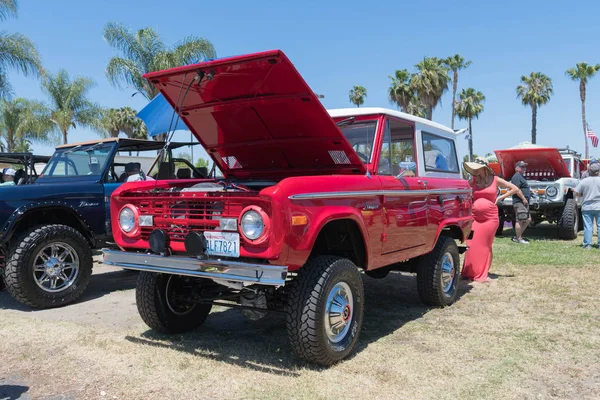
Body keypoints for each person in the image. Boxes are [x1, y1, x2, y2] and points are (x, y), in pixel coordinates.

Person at [461, 157, 522, 282]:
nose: (475, 171)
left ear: (484, 168)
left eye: (477, 168)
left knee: (485, 245)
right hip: (475, 218)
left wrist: (500, 198)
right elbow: (463, 188)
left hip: (490, 218)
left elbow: (515, 188)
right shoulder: (473, 180)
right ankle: (470, 272)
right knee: (471, 244)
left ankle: (483, 273)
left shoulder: (495, 180)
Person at [574, 162, 600, 249]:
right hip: (599, 206)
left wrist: (583, 195)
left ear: (589, 171)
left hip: (587, 207)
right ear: (598, 171)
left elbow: (577, 193)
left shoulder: (584, 181)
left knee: (588, 226)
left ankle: (587, 244)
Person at [511, 160, 532, 244]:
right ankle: (519, 238)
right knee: (520, 220)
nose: (524, 168)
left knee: (528, 219)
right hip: (519, 202)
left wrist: (530, 191)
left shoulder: (521, 176)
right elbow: (516, 189)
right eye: (522, 167)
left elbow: (523, 188)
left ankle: (518, 236)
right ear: (517, 168)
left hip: (523, 202)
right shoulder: (516, 176)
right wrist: (523, 198)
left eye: (525, 167)